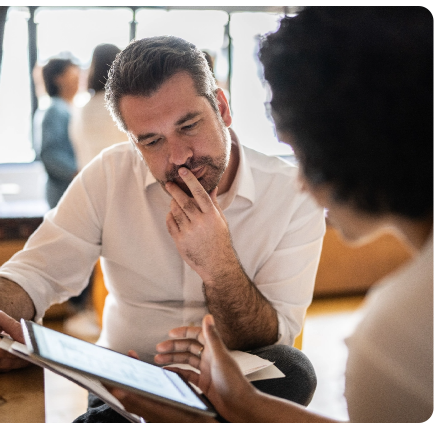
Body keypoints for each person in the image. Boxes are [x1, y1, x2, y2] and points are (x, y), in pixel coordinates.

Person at [0, 35, 325, 419]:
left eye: (189, 125)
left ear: (223, 107)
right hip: (128, 380)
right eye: (152, 141)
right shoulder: (109, 175)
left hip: (233, 382)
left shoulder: (293, 193)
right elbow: (31, 274)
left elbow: (272, 337)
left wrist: (218, 264)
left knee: (293, 369)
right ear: (133, 140)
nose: (179, 157)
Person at [107, 7, 433, 423]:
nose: (300, 182)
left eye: (304, 156)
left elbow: (278, 335)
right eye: (151, 140)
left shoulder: (393, 342)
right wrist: (244, 406)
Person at [69, 43, 128, 170]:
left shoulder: (82, 108)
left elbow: (78, 147)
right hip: (122, 175)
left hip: (90, 178)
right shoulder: (123, 104)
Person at [39, 57, 79, 208]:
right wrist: (78, 173)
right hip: (62, 191)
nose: (78, 77)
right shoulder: (55, 110)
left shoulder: (69, 108)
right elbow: (50, 154)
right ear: (58, 79)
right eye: (73, 73)